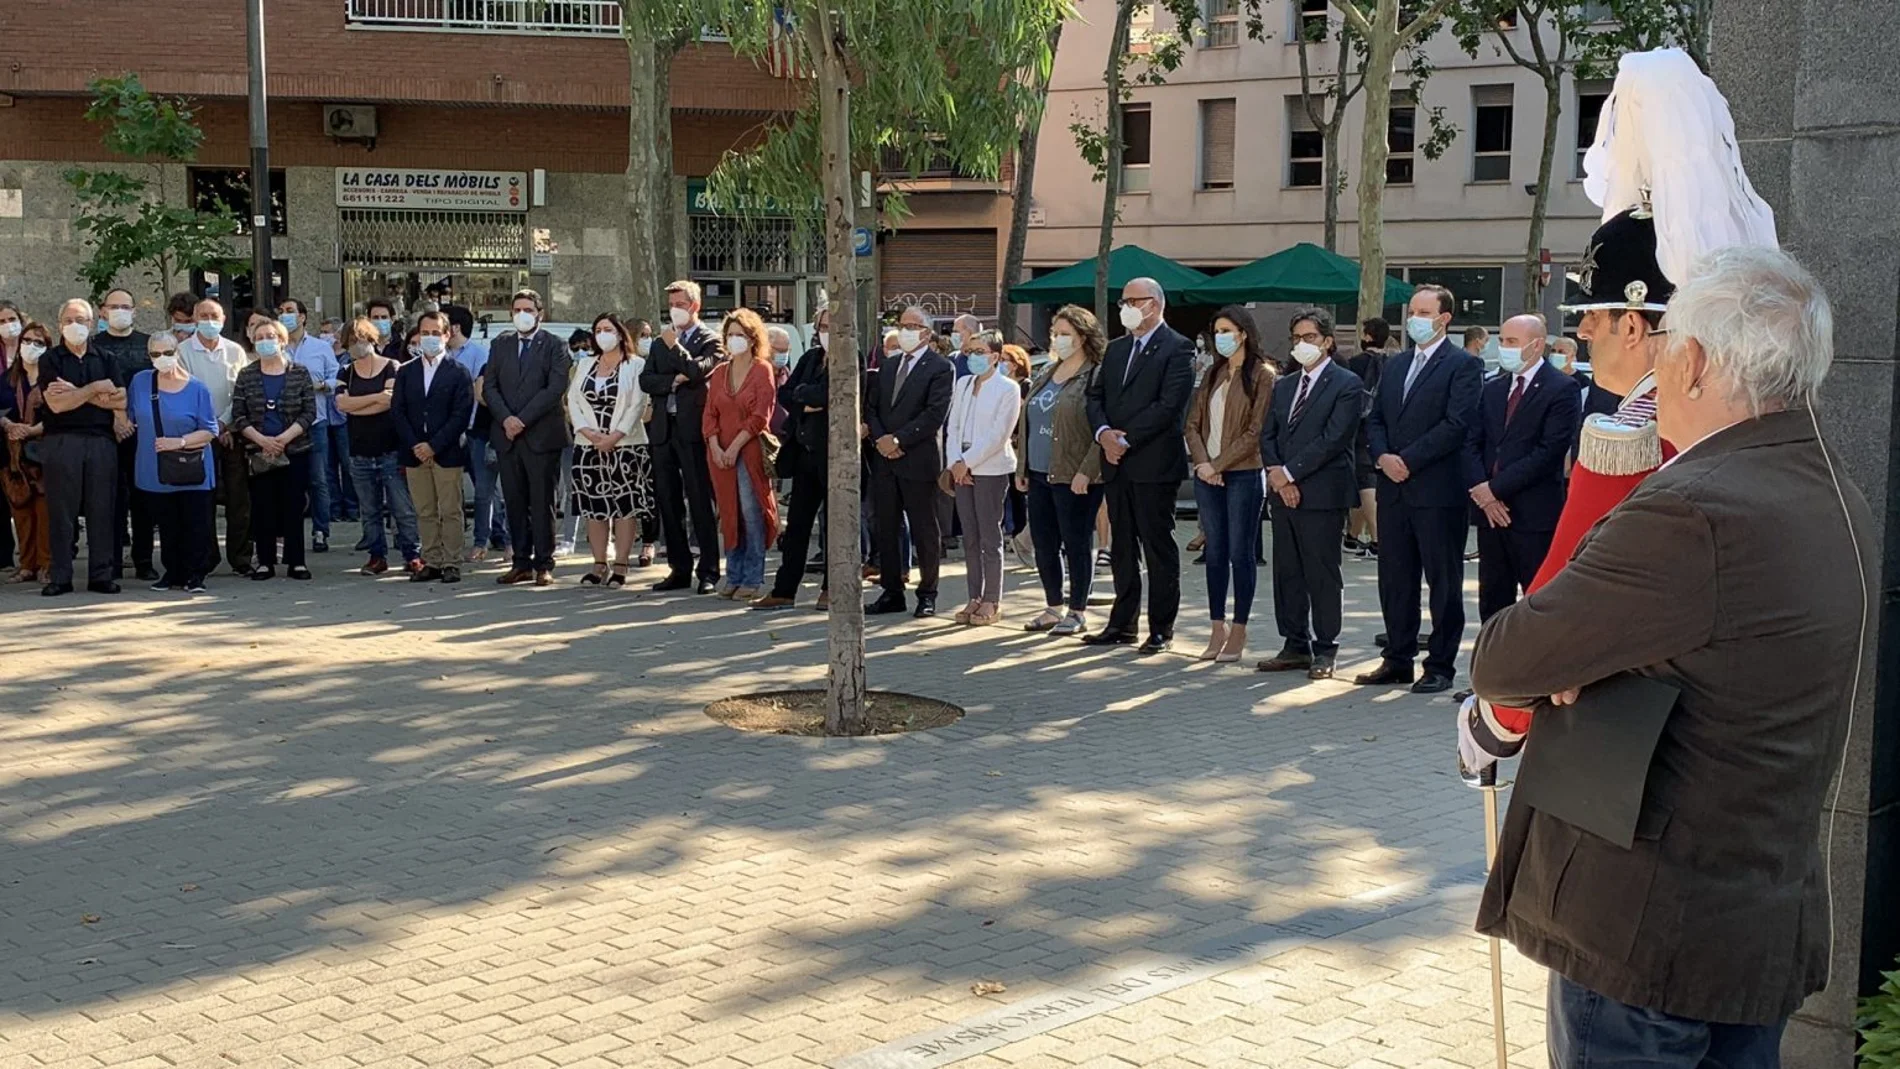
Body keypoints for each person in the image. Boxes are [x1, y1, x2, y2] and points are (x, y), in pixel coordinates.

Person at [1467, 243, 1863, 1069]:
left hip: (1648, 934)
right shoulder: (1833, 486)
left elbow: (1506, 658)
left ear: (1692, 362)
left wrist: (1577, 664)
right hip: (1751, 920)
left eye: (1665, 344)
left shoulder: (1692, 510)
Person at [1455, 44, 1783, 803]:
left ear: (1637, 325)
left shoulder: (1633, 434)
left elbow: (1562, 595)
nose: (1585, 337)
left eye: (1594, 319)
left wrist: (1495, 719)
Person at [1355, 284, 1483, 693]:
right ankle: (1397, 658)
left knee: (1442, 581)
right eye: (1412, 311)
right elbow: (1374, 418)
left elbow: (1456, 424)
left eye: (1424, 312)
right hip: (1393, 491)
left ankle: (1440, 665)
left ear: (1445, 318)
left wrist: (1407, 460)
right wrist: (1383, 456)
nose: (1414, 319)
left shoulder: (1463, 365)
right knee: (1395, 579)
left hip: (1436, 492)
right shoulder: (1396, 364)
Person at [1082, 277, 1196, 655]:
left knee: (1157, 547)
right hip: (1115, 464)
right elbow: (1095, 396)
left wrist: (1125, 439)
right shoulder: (1115, 350)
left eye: (1135, 300)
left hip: (1153, 464)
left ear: (1155, 304)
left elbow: (1169, 407)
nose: (1127, 307)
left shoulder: (1178, 348)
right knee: (1122, 548)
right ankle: (1122, 623)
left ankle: (1161, 628)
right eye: (1123, 300)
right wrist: (1103, 434)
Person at [1254, 308, 1363, 680]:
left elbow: (1334, 439)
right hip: (1283, 493)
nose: (1302, 345)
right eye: (1296, 338)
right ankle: (1294, 643)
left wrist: (1289, 473)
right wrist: (1277, 475)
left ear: (1328, 341)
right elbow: (1267, 433)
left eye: (1310, 337)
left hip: (1322, 492)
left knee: (1322, 571)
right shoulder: (1283, 385)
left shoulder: (1347, 384)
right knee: (1288, 570)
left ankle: (1326, 646)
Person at [1462, 314, 1579, 623]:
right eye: (1501, 340)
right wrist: (1482, 493)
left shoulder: (1561, 389)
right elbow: (1472, 442)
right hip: (1490, 517)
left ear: (1537, 345)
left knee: (1538, 601)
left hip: (1532, 515)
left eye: (1511, 342)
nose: (1504, 347)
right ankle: (1492, 668)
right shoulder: (1493, 388)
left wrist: (1494, 489)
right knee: (1492, 602)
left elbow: (1548, 452)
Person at [1183, 306, 1274, 663]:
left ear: (1243, 333)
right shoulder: (1212, 373)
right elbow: (1192, 424)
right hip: (1209, 474)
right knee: (1215, 553)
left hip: (1245, 474)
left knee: (1241, 552)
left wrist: (1218, 464)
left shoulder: (1263, 375)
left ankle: (1239, 628)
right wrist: (1204, 464)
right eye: (1216, 330)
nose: (1219, 337)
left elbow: (1256, 431)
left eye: (1226, 330)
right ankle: (1216, 625)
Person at [1016, 306, 1105, 636]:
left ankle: (1077, 610)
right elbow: (1028, 421)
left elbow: (1103, 429)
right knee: (1044, 541)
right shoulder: (1048, 372)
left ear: (1082, 336)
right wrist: (1022, 465)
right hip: (1040, 472)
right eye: (1055, 332)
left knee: (1077, 542)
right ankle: (1053, 606)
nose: (1058, 338)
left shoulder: (1095, 375)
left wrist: (1088, 471)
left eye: (1065, 333)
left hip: (1075, 476)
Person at [865, 305, 954, 618]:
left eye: (912, 326)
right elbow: (872, 409)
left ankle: (928, 593)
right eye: (902, 325)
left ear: (926, 333)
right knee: (886, 529)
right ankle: (892, 591)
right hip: (885, 461)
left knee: (924, 530)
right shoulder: (888, 367)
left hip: (917, 460)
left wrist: (899, 440)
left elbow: (934, 414)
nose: (905, 331)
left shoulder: (940, 368)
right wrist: (881, 439)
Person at [37, 299, 126, 596]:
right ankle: (60, 576)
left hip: (101, 441)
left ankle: (101, 574)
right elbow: (57, 404)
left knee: (102, 509)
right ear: (60, 323)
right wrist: (92, 390)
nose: (76, 326)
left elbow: (120, 400)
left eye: (82, 320)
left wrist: (76, 393)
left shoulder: (106, 357)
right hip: (61, 441)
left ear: (91, 323)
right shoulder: (50, 359)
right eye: (69, 320)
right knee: (61, 512)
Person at [641, 280, 724, 593]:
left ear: (695, 306)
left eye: (681, 304)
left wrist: (676, 350)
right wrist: (671, 382)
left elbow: (698, 371)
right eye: (672, 304)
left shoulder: (710, 339)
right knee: (668, 499)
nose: (675, 310)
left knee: (700, 499)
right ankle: (679, 568)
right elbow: (646, 380)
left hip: (693, 430)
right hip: (664, 429)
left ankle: (709, 570)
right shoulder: (661, 341)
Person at [486, 289, 573, 587]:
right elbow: (490, 387)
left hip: (541, 436)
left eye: (528, 309)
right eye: (517, 309)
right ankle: (520, 562)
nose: (522, 314)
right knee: (514, 501)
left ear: (540, 313)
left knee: (542, 501)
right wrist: (507, 419)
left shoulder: (556, 345)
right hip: (508, 436)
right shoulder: (500, 344)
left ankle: (543, 563)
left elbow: (555, 388)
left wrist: (522, 419)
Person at [125, 331, 218, 593]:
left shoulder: (197, 388)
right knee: (167, 525)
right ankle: (172, 572)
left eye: (167, 352)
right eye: (155, 354)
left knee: (195, 524)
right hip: (154, 469)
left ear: (177, 353)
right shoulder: (141, 382)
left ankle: (195, 574)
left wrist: (179, 442)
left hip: (191, 467)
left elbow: (210, 430)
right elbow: (129, 415)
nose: (162, 358)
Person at [566, 312, 653, 587]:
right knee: (594, 508)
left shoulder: (636, 365)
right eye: (599, 329)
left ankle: (621, 565)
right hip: (588, 447)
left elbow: (637, 405)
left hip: (625, 447)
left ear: (620, 334)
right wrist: (588, 432)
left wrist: (614, 436)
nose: (603, 334)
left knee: (624, 508)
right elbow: (572, 400)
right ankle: (598, 563)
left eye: (609, 329)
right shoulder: (585, 364)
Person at [754, 306, 830, 611]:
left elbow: (831, 393)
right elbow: (786, 394)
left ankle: (832, 589)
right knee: (797, 524)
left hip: (833, 456)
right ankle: (785, 589)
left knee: (833, 526)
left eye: (831, 325)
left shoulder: (852, 357)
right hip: (803, 454)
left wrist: (809, 397)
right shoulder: (810, 358)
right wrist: (807, 400)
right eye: (822, 325)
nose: (826, 331)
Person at [391, 309, 475, 584]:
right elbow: (398, 411)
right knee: (424, 510)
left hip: (446, 452)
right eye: (424, 333)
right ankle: (432, 560)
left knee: (450, 510)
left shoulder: (459, 373)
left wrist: (434, 445)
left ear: (447, 335)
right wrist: (416, 444)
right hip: (414, 453)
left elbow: (460, 416)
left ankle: (452, 561)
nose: (429, 338)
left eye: (435, 333)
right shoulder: (407, 372)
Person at [944, 329, 1021, 626]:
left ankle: (992, 599)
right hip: (961, 467)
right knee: (971, 537)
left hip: (990, 467)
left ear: (994, 356)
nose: (973, 357)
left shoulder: (1007, 388)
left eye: (979, 352)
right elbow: (954, 426)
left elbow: (998, 435)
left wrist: (969, 462)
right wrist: (955, 464)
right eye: (969, 352)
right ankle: (973, 596)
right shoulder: (963, 383)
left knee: (990, 536)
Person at [702, 308, 779, 600]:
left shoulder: (762, 370)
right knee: (729, 512)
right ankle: (732, 575)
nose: (735, 340)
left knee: (751, 510)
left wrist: (734, 447)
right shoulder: (720, 372)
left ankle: (752, 576)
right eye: (730, 335)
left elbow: (761, 416)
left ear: (752, 338)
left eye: (741, 335)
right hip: (719, 454)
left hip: (748, 451)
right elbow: (709, 414)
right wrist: (715, 446)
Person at [232, 319, 317, 581]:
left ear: (282, 340)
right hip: (259, 452)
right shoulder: (247, 374)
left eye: (271, 336)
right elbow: (239, 415)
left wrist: (283, 438)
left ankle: (296, 562)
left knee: (294, 506)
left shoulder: (300, 372)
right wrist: (262, 440)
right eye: (260, 337)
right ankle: (265, 562)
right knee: (262, 508)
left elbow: (309, 411)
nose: (266, 341)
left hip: (295, 450)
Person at [336, 317, 420, 575]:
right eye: (350, 341)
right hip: (359, 451)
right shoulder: (345, 372)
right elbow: (341, 405)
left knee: (402, 508)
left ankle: (412, 554)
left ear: (371, 338)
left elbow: (390, 402)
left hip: (390, 450)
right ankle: (376, 556)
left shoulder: (392, 366)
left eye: (359, 339)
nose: (355, 345)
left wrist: (358, 402)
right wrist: (374, 399)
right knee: (369, 510)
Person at [181, 297, 252, 577]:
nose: (209, 321)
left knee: (239, 499)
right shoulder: (183, 351)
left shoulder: (235, 351)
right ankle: (205, 556)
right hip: (199, 435)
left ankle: (241, 557)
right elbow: (185, 392)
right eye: (203, 315)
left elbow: (241, 393)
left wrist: (224, 424)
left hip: (231, 434)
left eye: (215, 316)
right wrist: (210, 428)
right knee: (203, 499)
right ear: (195, 319)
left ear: (223, 320)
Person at [92, 288, 154, 582]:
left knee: (143, 498)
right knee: (109, 499)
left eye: (125, 306)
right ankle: (111, 561)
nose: (119, 311)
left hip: (143, 433)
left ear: (134, 311)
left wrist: (131, 419)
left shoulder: (147, 345)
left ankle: (143, 560)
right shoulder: (93, 346)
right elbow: (91, 389)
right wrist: (116, 418)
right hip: (106, 432)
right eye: (113, 306)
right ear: (102, 311)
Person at [447, 303, 506, 562]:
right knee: (483, 491)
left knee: (510, 493)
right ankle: (481, 541)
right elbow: (481, 395)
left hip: (508, 435)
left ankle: (509, 541)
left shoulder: (477, 354)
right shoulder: (485, 367)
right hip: (478, 433)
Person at [280, 298, 340, 554]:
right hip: (283, 425)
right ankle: (286, 533)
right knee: (287, 482)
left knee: (318, 479)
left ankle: (320, 531)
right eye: (282, 312)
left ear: (302, 317)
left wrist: (321, 386)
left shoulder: (320, 347)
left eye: (290, 311)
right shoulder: (276, 347)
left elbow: (336, 378)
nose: (285, 316)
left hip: (315, 421)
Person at [2, 320, 52, 583]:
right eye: (27, 341)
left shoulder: (52, 379)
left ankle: (46, 564)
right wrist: (9, 425)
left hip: (44, 453)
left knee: (45, 513)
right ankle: (26, 564)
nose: (31, 347)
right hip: (12, 457)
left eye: (39, 342)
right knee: (21, 512)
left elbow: (57, 415)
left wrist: (31, 430)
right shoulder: (8, 378)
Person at [1345, 318, 1390, 558]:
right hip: (1385, 428)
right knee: (1367, 482)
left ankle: (1378, 539)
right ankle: (1352, 536)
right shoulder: (1394, 363)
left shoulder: (1354, 364)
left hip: (1359, 429)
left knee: (1365, 483)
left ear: (1368, 336)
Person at [0, 300, 23, 570]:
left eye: (11, 319)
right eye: (2, 321)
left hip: (30, 428)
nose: (8, 325)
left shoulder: (34, 346)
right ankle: (5, 553)